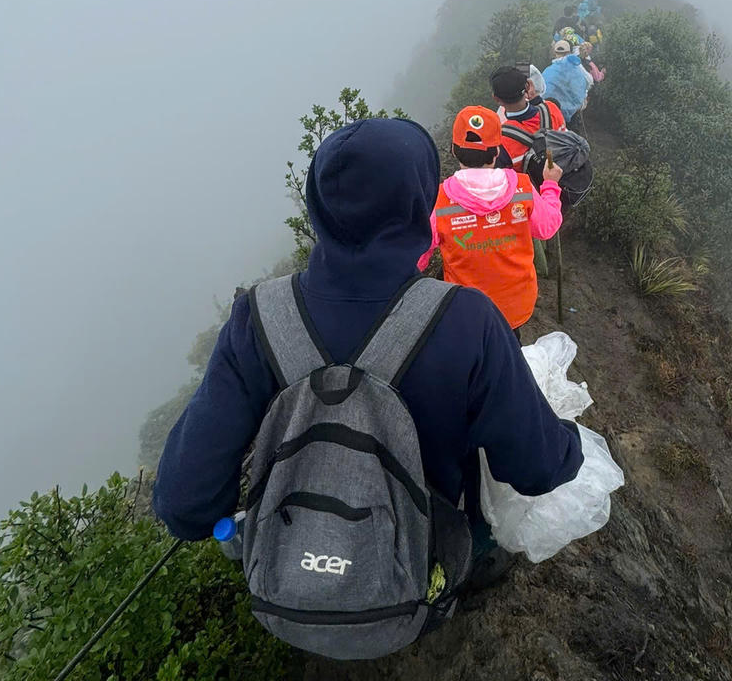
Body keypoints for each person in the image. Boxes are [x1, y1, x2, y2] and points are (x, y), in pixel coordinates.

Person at [154, 117, 581, 573]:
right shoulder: (468, 320)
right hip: (422, 562)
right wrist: (571, 441)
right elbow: (539, 469)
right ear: (419, 200)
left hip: (296, 573)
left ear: (316, 204)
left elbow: (185, 503)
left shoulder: (257, 319)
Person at [419, 105, 562, 337]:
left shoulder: (440, 201)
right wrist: (550, 185)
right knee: (509, 346)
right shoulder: (522, 187)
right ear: (497, 151)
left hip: (467, 312)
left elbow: (418, 259)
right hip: (516, 306)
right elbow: (547, 227)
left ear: (454, 150)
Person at [491, 63, 565, 187]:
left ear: (497, 99)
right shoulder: (551, 109)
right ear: (528, 86)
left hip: (534, 198)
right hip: (561, 182)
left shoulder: (502, 141)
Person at [542, 38, 592, 132]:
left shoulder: (549, 70)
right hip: (571, 113)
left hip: (550, 114)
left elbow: (542, 90)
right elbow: (588, 82)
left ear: (555, 52)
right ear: (569, 52)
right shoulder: (577, 68)